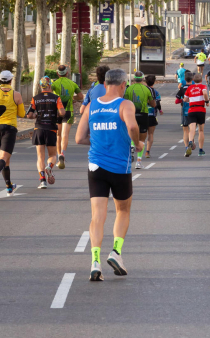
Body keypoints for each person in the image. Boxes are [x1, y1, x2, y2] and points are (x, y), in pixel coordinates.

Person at [75, 68, 143, 281]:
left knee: (97, 216)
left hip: (95, 167)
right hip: (119, 168)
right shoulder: (125, 104)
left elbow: (78, 139)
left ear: (104, 85)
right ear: (123, 85)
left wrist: (97, 142)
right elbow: (132, 126)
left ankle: (95, 261)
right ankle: (116, 252)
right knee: (122, 210)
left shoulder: (92, 106)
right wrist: (137, 143)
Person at [27, 76, 66, 189]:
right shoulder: (56, 98)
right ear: (50, 85)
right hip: (51, 128)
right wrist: (56, 114)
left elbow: (29, 114)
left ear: (40, 86)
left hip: (38, 128)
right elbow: (62, 112)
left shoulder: (35, 98)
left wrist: (36, 115)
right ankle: (49, 166)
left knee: (40, 157)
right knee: (52, 155)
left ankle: (42, 180)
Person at [52, 65, 83, 169]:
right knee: (65, 135)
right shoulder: (72, 83)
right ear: (67, 73)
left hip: (56, 111)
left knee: (58, 135)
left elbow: (49, 92)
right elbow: (80, 96)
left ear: (57, 73)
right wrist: (71, 97)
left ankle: (58, 156)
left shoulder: (54, 83)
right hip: (68, 111)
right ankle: (63, 154)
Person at [124, 71, 156, 169]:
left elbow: (124, 102)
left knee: (131, 134)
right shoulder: (147, 89)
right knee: (142, 139)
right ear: (142, 79)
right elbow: (153, 104)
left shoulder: (128, 89)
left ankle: (132, 146)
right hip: (143, 114)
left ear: (134, 79)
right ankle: (138, 161)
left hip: (131, 115)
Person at [184, 73, 209, 157]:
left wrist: (191, 99)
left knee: (192, 129)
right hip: (201, 109)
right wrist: (207, 101)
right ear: (201, 80)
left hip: (191, 110)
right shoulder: (203, 86)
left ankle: (190, 142)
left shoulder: (190, 87)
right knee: (201, 130)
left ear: (193, 80)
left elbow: (185, 99)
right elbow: (205, 93)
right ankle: (200, 150)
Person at [176, 72, 196, 151]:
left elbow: (177, 100)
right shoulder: (195, 87)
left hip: (185, 110)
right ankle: (192, 141)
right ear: (192, 79)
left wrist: (182, 100)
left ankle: (186, 147)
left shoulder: (183, 88)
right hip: (194, 109)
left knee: (185, 130)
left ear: (185, 79)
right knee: (192, 128)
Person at [145, 75, 162, 158]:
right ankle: (147, 151)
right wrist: (160, 110)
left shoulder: (143, 90)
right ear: (154, 82)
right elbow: (158, 103)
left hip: (142, 114)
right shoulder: (156, 92)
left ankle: (138, 151)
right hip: (152, 115)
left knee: (141, 134)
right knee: (150, 134)